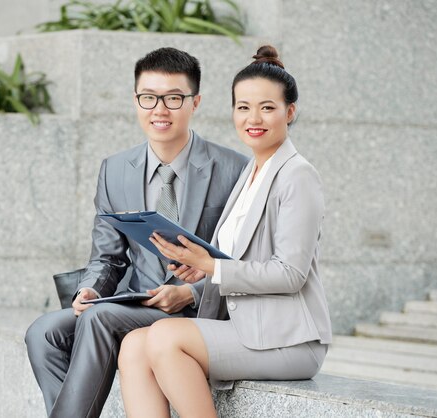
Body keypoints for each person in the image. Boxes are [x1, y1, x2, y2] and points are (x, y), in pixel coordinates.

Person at [24, 47, 249, 418]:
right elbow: (107, 256)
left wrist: (188, 293)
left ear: (196, 102)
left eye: (174, 98)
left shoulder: (232, 169)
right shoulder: (115, 169)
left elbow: (240, 262)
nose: (159, 109)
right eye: (149, 97)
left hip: (198, 311)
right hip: (134, 300)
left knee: (98, 319)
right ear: (135, 100)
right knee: (43, 332)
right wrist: (91, 289)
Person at [118, 45, 333, 418]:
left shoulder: (297, 175)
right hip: (244, 326)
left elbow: (291, 274)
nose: (254, 118)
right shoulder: (249, 173)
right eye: (243, 107)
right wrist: (199, 273)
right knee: (135, 344)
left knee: (166, 338)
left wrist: (214, 267)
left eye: (267, 107)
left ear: (290, 112)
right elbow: (234, 264)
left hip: (289, 339)